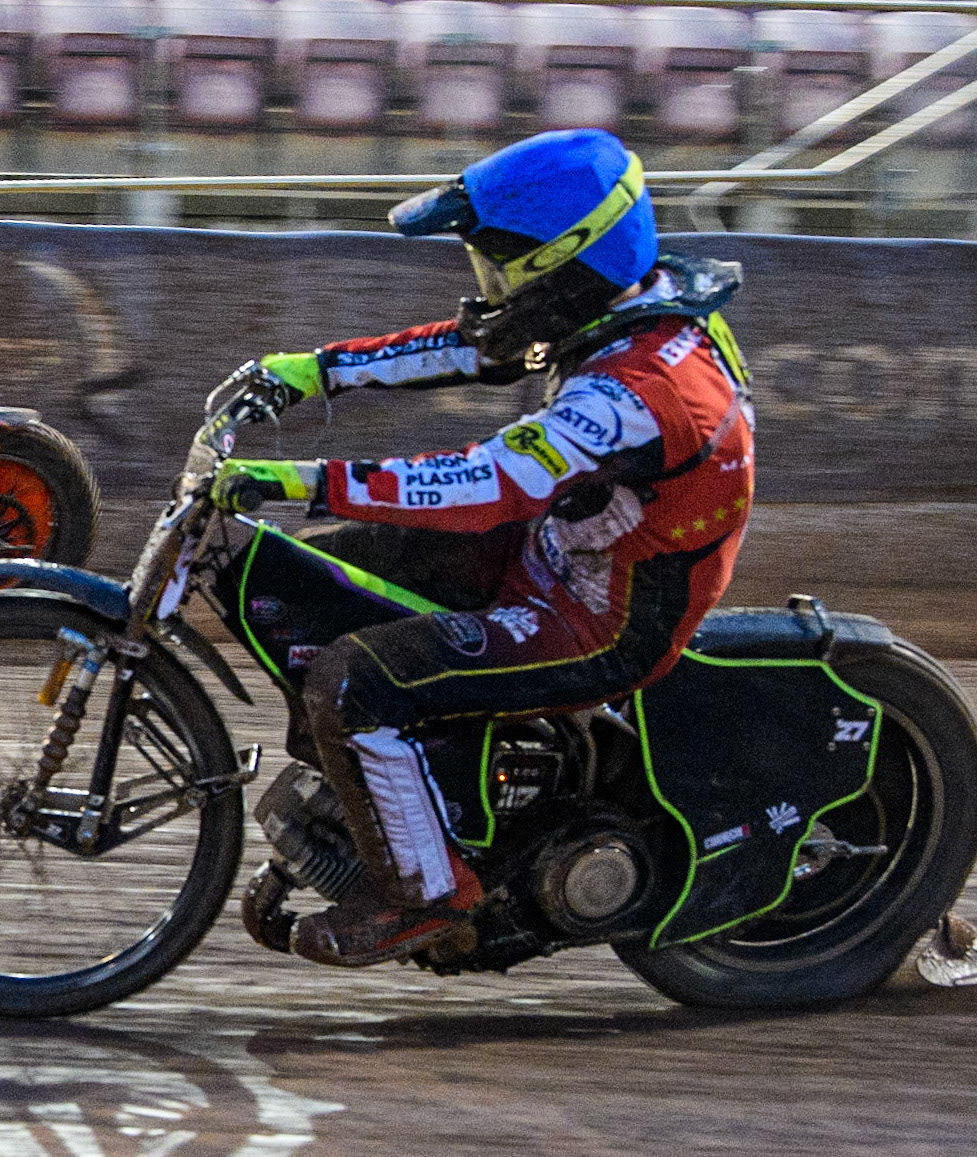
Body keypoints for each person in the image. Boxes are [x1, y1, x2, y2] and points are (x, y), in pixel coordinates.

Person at [210, 129, 756, 967]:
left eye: (502, 265)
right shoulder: (625, 305)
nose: (488, 286)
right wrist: (314, 370)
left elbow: (485, 483)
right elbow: (478, 345)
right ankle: (410, 791)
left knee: (353, 679)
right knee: (331, 571)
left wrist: (298, 479)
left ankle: (426, 894)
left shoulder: (642, 392)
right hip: (559, 554)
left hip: (603, 620)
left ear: (566, 260)